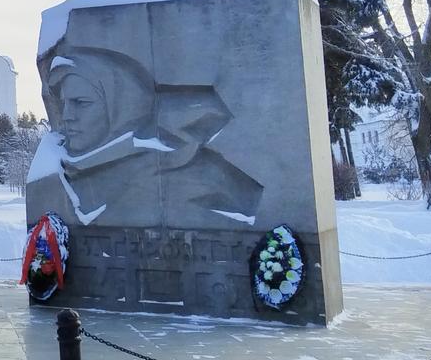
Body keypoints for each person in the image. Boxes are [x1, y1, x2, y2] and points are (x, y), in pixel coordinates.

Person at [37, 46, 262, 228]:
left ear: (121, 108)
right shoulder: (58, 175)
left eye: (81, 103)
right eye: (65, 103)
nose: (67, 117)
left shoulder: (190, 177)